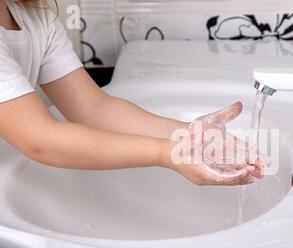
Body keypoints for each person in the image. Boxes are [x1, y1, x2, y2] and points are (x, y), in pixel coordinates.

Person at [0, 0, 263, 186]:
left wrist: (187, 137)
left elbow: (92, 108)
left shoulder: (33, 16)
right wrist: (166, 154)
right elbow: (41, 140)